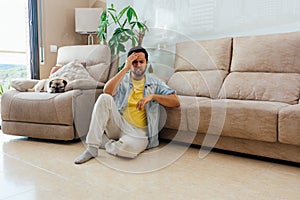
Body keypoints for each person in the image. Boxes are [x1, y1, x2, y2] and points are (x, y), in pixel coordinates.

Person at [74, 46, 180, 164]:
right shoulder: (122, 79)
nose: (138, 65)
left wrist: (153, 96)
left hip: (139, 132)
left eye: (141, 61)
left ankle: (107, 142)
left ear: (147, 63)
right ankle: (92, 148)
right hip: (118, 124)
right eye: (134, 62)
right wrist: (125, 68)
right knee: (104, 98)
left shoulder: (155, 83)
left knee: (128, 151)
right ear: (129, 63)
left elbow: (175, 101)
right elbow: (107, 91)